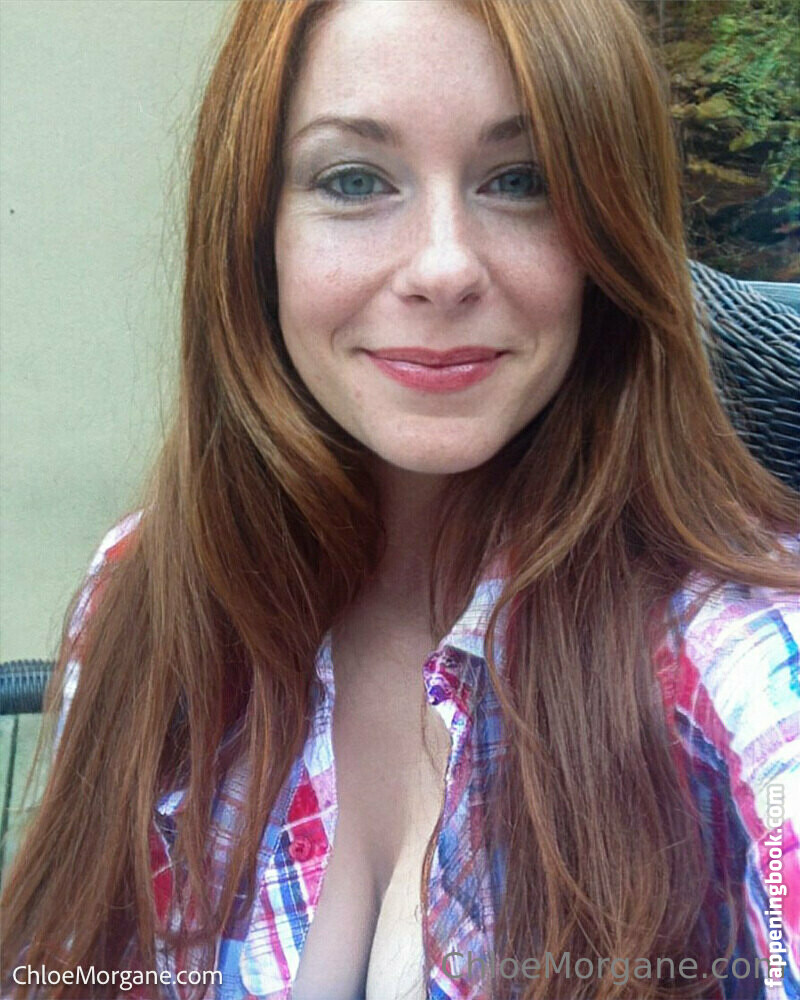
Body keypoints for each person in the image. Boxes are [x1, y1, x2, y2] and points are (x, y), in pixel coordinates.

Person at [2, 1, 799, 998]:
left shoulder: (743, 656)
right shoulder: (137, 594)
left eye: (522, 180)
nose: (443, 267)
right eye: (353, 180)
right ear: (252, 233)